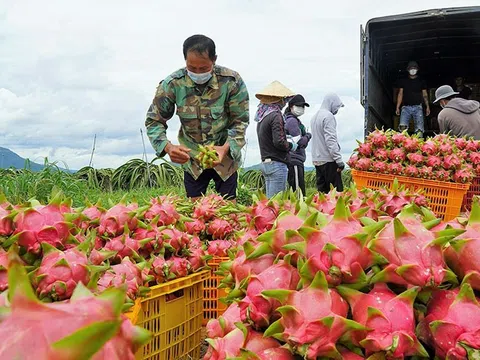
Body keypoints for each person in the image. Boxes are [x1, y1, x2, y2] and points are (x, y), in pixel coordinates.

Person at [145, 34, 249, 200]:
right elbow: (154, 121)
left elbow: (240, 122)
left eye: (203, 68)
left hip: (225, 159)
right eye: (192, 68)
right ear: (185, 60)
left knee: (229, 213)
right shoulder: (172, 84)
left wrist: (225, 148)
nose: (198, 73)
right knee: (195, 215)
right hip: (192, 160)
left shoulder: (231, 82)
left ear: (214, 60)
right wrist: (168, 147)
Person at [255, 81, 297, 198]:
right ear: (278, 99)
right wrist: (290, 145)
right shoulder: (276, 115)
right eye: (283, 99)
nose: (284, 102)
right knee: (276, 204)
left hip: (266, 162)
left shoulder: (262, 116)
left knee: (270, 201)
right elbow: (279, 141)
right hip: (276, 163)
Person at [311, 93, 345, 193]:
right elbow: (330, 139)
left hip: (317, 160)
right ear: (331, 103)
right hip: (329, 161)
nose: (337, 110)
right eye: (337, 106)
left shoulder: (314, 117)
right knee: (336, 195)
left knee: (322, 196)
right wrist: (338, 160)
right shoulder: (328, 116)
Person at [284, 94, 312, 196]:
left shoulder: (292, 120)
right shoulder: (292, 121)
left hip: (295, 159)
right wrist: (308, 135)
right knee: (298, 194)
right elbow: (300, 142)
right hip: (294, 159)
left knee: (297, 191)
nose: (301, 108)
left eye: (303, 106)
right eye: (299, 106)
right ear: (291, 106)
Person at [396, 61, 430, 137]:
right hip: (405, 107)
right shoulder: (403, 81)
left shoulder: (421, 81)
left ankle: (419, 146)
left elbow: (425, 95)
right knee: (402, 128)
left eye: (414, 68)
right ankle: (402, 145)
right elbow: (400, 94)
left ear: (417, 70)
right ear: (408, 70)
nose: (413, 70)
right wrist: (397, 107)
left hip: (418, 107)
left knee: (419, 130)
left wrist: (427, 106)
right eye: (411, 68)